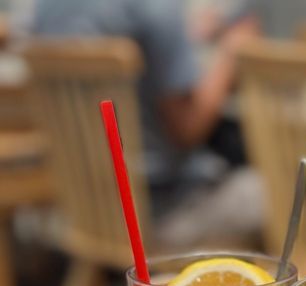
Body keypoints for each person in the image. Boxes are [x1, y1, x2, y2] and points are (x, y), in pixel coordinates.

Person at [30, 0, 264, 248]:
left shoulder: (46, 6)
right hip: (162, 213)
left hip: (85, 207)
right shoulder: (156, 7)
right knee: (284, 192)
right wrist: (232, 53)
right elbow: (188, 129)